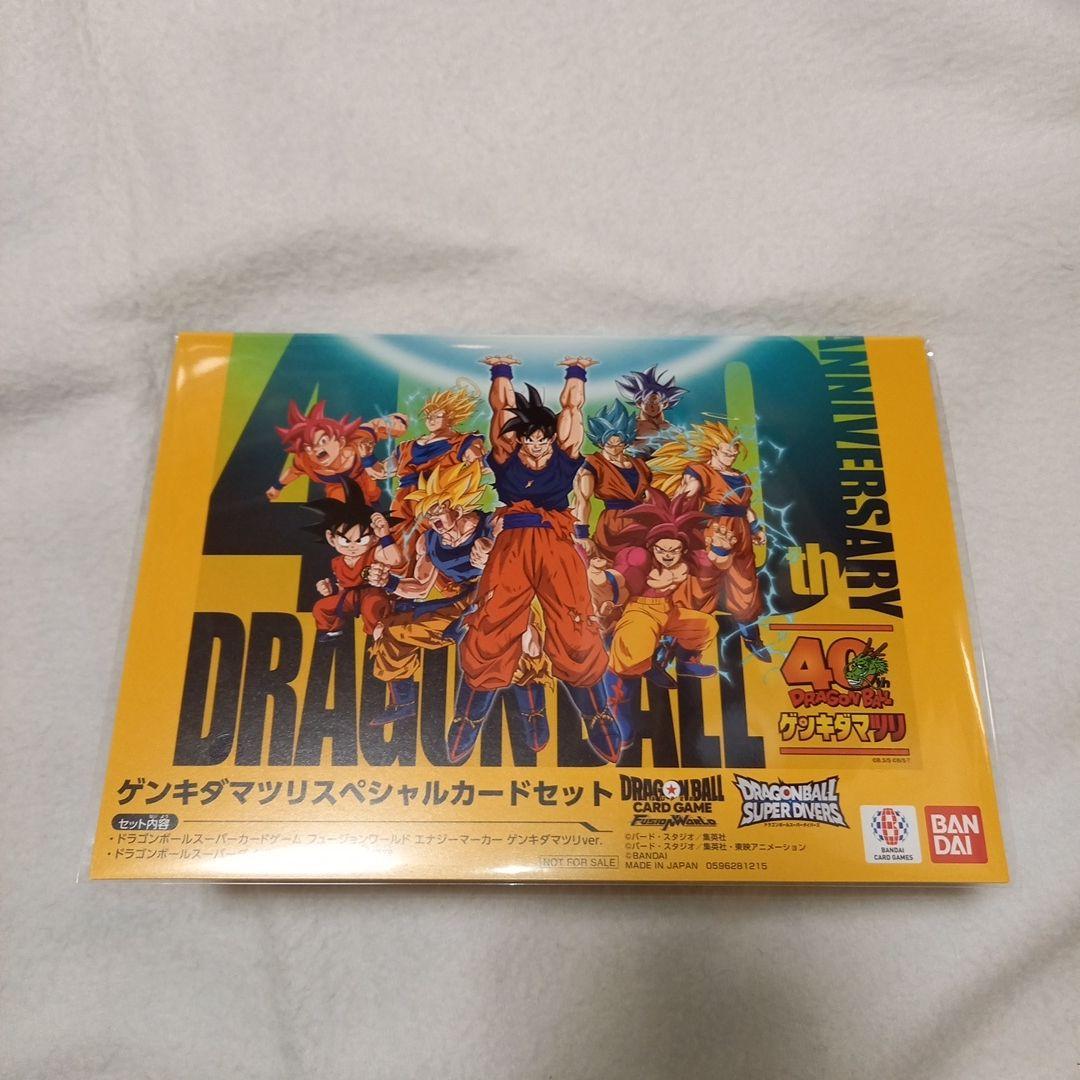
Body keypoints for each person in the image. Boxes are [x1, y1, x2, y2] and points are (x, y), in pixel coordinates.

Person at [452, 356, 622, 766]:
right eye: (531, 439)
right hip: (512, 544)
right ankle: (468, 718)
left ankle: (597, 714)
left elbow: (573, 407)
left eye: (544, 438)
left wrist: (577, 371)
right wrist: (500, 371)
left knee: (575, 623)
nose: (539, 445)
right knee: (492, 623)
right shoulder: (506, 456)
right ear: (521, 440)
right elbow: (501, 408)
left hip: (555, 543)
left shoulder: (564, 455)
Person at [367, 461, 551, 751]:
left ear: (459, 505)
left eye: (439, 509)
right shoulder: (429, 542)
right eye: (428, 512)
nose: (434, 519)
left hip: (508, 595)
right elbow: (420, 587)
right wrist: (388, 582)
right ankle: (403, 703)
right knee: (394, 631)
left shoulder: (494, 524)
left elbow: (530, 557)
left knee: (524, 645)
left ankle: (533, 712)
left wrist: (494, 556)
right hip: (464, 602)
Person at [587, 491, 735, 743]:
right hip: (640, 610)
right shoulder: (638, 557)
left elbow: (716, 564)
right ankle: (618, 710)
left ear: (682, 548)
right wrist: (600, 578)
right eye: (662, 549)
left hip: (668, 610)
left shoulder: (688, 560)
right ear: (651, 546)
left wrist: (721, 548)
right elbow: (618, 580)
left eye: (674, 550)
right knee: (630, 656)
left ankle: (686, 661)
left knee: (705, 625)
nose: (667, 555)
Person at [650, 421, 770, 660]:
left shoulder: (741, 477)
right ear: (714, 450)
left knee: (744, 586)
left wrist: (756, 528)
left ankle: (752, 638)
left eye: (735, 452)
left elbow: (745, 508)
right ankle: (670, 643)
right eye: (727, 452)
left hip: (741, 536)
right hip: (712, 533)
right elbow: (684, 498)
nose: (732, 456)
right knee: (698, 588)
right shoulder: (699, 471)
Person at [303, 479, 405, 643]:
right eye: (345, 540)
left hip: (372, 594)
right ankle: (333, 631)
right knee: (321, 607)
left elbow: (395, 559)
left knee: (371, 607)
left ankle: (377, 637)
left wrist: (385, 537)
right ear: (331, 538)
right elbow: (342, 585)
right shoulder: (337, 562)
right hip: (348, 597)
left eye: (360, 540)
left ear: (373, 538)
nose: (352, 546)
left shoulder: (374, 553)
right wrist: (331, 589)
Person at [268, 399, 408, 505]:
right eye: (309, 447)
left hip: (364, 477)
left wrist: (397, 421)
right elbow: (294, 472)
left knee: (372, 494)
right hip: (338, 487)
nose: (316, 449)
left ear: (340, 441)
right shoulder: (306, 460)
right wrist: (277, 487)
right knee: (341, 508)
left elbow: (375, 426)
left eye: (323, 441)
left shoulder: (359, 441)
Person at [391, 383, 485, 525]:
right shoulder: (406, 447)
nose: (431, 419)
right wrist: (367, 458)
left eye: (437, 416)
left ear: (451, 417)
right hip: (402, 504)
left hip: (436, 505)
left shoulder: (462, 442)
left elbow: (482, 465)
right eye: (429, 416)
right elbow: (382, 471)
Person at [572, 399, 652, 561]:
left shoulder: (639, 464)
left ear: (626, 441)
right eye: (609, 444)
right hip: (613, 527)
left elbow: (649, 496)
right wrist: (582, 534)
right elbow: (582, 500)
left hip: (642, 524)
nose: (615, 449)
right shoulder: (593, 464)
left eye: (619, 444)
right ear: (600, 442)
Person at [615, 365, 687, 453]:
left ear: (665, 404)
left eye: (656, 402)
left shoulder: (671, 428)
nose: (652, 406)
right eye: (647, 402)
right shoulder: (631, 426)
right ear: (639, 404)